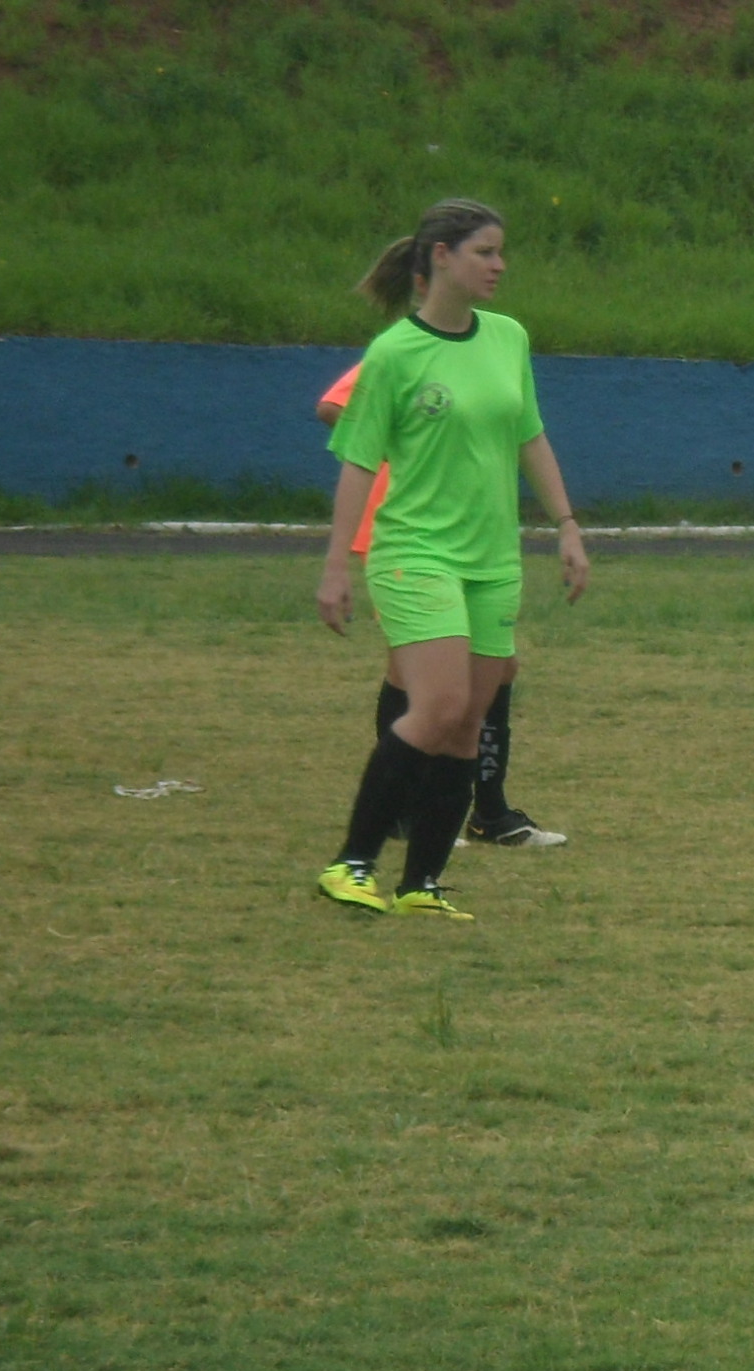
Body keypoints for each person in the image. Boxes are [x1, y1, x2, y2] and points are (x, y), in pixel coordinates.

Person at [312, 199, 588, 918]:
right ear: (441, 257)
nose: (499, 266)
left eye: (501, 253)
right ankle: (352, 863)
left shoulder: (508, 338)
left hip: (493, 561)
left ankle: (421, 886)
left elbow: (530, 436)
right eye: (485, 252)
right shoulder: (395, 354)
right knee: (435, 706)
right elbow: (356, 463)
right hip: (415, 552)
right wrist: (336, 566)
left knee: (468, 721)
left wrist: (566, 525)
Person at [317, 367, 568, 850]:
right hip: (407, 536)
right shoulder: (412, 348)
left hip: (467, 538)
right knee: (412, 672)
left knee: (499, 668)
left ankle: (488, 812)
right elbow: (333, 406)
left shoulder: (488, 347)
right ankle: (405, 811)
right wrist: (407, 453)